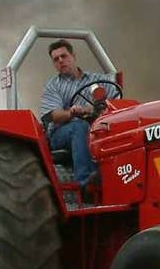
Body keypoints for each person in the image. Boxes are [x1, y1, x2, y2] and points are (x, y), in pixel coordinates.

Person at [40, 39, 118, 191]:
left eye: (64, 56)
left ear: (73, 56)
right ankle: (86, 182)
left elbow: (115, 102)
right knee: (79, 127)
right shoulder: (52, 86)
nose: (60, 61)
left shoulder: (99, 80)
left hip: (96, 128)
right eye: (56, 59)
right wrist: (71, 112)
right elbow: (54, 115)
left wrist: (92, 109)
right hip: (62, 133)